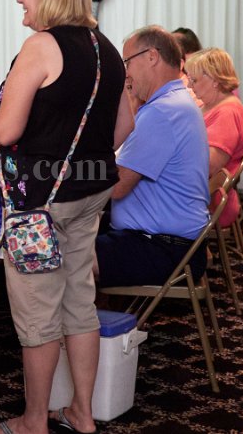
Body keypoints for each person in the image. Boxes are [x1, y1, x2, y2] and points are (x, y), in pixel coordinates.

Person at [0, 0, 131, 434]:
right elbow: (124, 126)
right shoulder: (107, 49)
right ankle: (82, 413)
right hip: (90, 192)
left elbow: (7, 130)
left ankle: (34, 421)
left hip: (39, 205)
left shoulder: (41, 46)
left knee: (38, 314)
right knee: (78, 303)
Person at [95, 26, 210, 289]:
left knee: (63, 259)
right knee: (73, 241)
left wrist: (71, 172)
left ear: (151, 56)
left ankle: (83, 317)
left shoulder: (162, 112)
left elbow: (117, 185)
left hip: (163, 248)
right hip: (175, 244)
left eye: (127, 62)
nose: (125, 72)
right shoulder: (176, 101)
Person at [186, 48, 243, 227]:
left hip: (208, 202)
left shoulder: (227, 113)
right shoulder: (214, 105)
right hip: (201, 194)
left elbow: (207, 168)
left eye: (194, 80)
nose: (189, 85)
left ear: (214, 80)